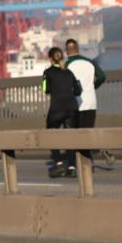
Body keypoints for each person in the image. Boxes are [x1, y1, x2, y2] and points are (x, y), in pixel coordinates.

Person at [65, 39, 109, 166]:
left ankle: (73, 165)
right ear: (78, 49)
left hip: (75, 104)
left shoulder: (67, 65)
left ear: (67, 51)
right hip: (90, 102)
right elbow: (102, 76)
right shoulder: (89, 62)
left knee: (73, 136)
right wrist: (92, 86)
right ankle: (89, 162)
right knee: (87, 134)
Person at [42, 47, 83, 178]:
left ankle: (59, 164)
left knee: (51, 134)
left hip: (56, 109)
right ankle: (72, 167)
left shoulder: (47, 72)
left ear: (50, 59)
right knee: (69, 137)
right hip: (72, 108)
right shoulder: (69, 72)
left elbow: (45, 89)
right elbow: (78, 91)